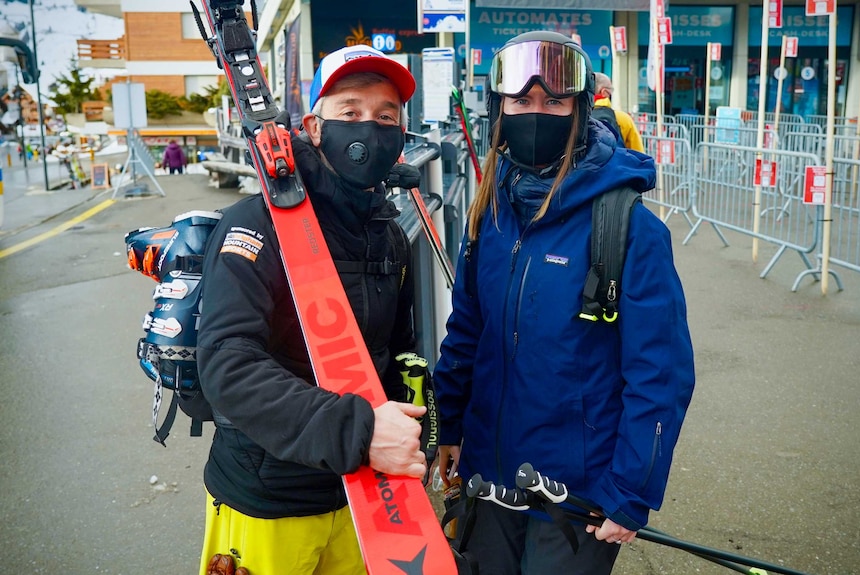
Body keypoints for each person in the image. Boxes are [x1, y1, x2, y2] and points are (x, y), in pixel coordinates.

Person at [433, 31, 695, 575]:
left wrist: (631, 489)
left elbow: (660, 373)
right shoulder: (491, 213)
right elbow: (466, 330)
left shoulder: (628, 227)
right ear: (499, 109)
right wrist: (449, 426)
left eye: (553, 102)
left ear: (577, 110)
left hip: (577, 495)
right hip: (488, 473)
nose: (536, 113)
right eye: (521, 101)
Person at [196, 45, 426, 575]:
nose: (368, 129)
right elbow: (228, 365)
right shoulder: (257, 225)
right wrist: (361, 432)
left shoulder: (389, 235)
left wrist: (422, 428)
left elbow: (396, 351)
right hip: (268, 498)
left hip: (366, 496)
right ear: (314, 127)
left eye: (385, 117)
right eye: (350, 112)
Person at [593, 72, 645, 153]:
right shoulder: (622, 119)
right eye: (611, 90)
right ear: (604, 92)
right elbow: (638, 154)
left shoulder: (576, 115)